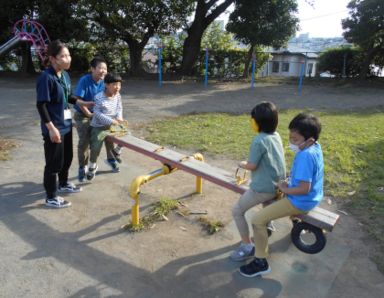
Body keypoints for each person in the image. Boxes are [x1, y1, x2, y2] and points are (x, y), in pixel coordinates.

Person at [238, 113, 323, 277]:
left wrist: (285, 189)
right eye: (290, 137)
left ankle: (260, 262)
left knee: (257, 220)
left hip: (300, 200)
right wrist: (289, 180)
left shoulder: (305, 155)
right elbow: (309, 176)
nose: (291, 142)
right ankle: (292, 221)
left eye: (296, 140)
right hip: (313, 197)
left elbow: (304, 188)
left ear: (310, 140)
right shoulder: (315, 148)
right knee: (271, 200)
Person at [36, 40, 94, 208]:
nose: (68, 59)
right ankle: (51, 197)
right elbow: (41, 105)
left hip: (66, 124)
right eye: (63, 56)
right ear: (53, 58)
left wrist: (82, 103)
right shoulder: (46, 78)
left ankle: (62, 183)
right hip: (54, 128)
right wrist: (52, 129)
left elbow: (68, 97)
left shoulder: (65, 75)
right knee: (53, 163)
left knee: (66, 158)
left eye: (68, 55)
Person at [230, 102, 286, 262]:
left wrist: (241, 164)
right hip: (279, 186)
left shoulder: (259, 140)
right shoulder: (276, 136)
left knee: (237, 211)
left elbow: (252, 165)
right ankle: (268, 225)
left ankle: (247, 245)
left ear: (257, 123)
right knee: (267, 204)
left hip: (263, 189)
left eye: (252, 119)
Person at [73, 57, 108, 182]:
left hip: (97, 116)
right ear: (92, 69)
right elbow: (78, 99)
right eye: (100, 68)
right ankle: (82, 167)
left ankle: (96, 164)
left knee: (97, 141)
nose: (103, 71)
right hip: (82, 114)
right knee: (84, 142)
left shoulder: (105, 82)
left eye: (105, 69)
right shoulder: (85, 80)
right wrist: (88, 114)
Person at [87, 73, 125, 181]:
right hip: (99, 127)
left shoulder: (118, 95)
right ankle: (92, 166)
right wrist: (111, 121)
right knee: (95, 148)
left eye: (119, 84)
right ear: (106, 85)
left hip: (112, 125)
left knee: (126, 135)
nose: (117, 87)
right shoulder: (99, 97)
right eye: (114, 84)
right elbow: (97, 113)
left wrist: (119, 117)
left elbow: (119, 108)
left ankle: (115, 153)